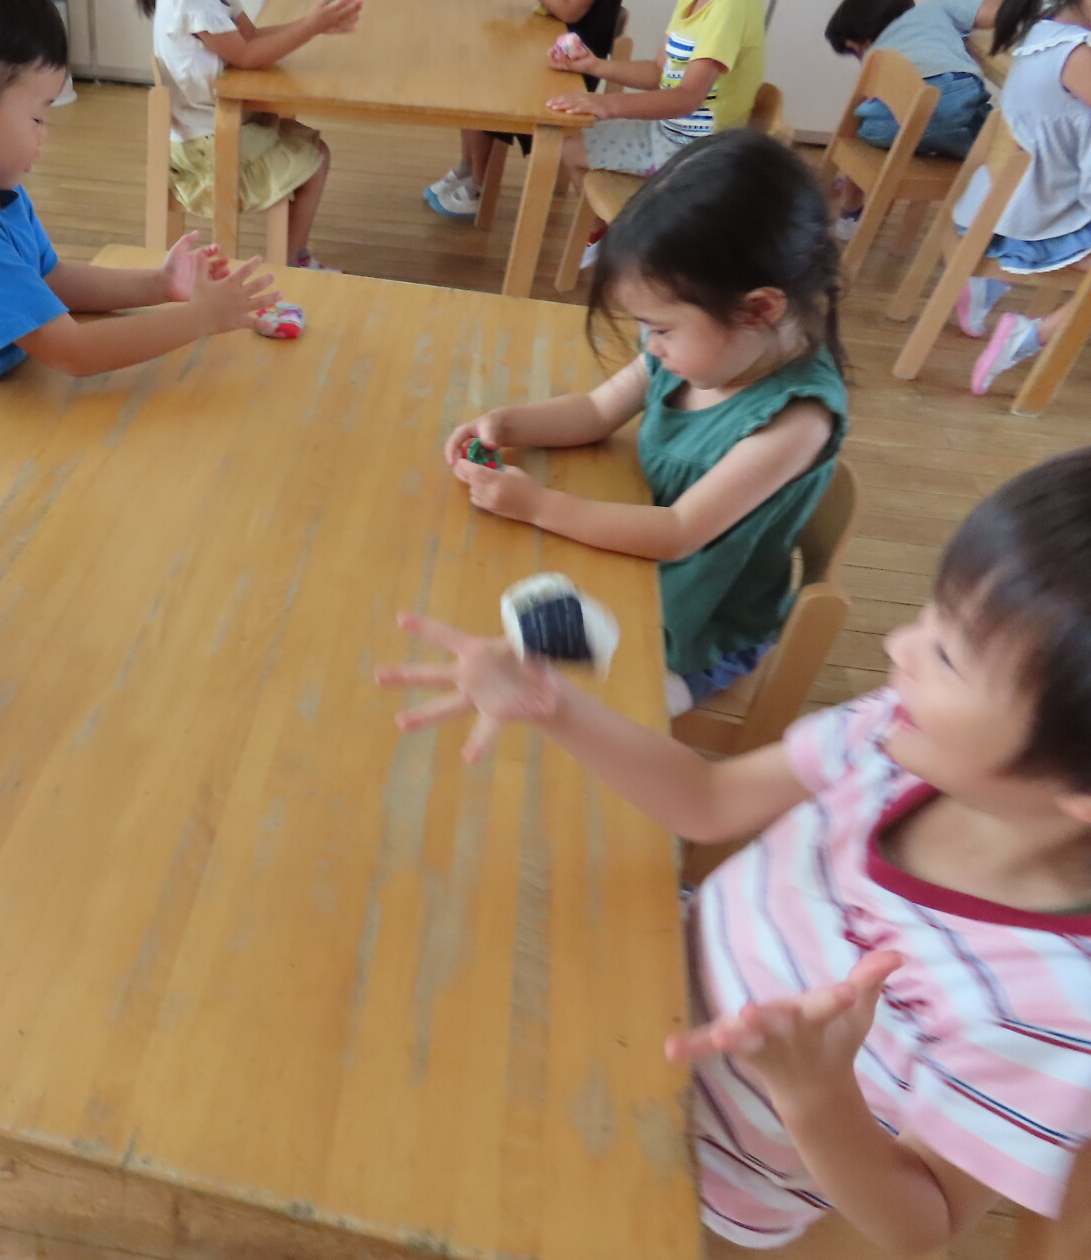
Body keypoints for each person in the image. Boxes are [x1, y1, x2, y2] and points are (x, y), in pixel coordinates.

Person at [377, 445, 1091, 1253]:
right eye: (932, 614)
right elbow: (708, 800)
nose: (899, 644)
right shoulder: (892, 737)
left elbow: (921, 1224)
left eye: (950, 655)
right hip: (629, 994)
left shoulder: (1050, 1008)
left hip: (690, 1181)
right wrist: (552, 705)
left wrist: (818, 1095)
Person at [443, 130, 846, 714]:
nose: (650, 345)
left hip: (695, 627)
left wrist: (537, 505)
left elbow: (679, 531)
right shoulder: (698, 349)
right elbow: (596, 411)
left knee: (577, 719)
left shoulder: (796, 421)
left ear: (757, 309)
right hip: (633, 561)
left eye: (661, 328)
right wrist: (507, 425)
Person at [0, 0, 278, 436]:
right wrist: (202, 317)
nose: (44, 135)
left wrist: (160, 283)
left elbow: (48, 278)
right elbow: (74, 352)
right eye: (37, 116)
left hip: (12, 393)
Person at [141, 0, 359, 264]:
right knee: (318, 158)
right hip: (207, 146)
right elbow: (247, 56)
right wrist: (310, 27)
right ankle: (292, 261)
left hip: (212, 128)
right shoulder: (192, 4)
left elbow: (251, 37)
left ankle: (294, 255)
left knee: (301, 138)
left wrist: (312, 24)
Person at [950, 0, 1091, 395]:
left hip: (998, 205)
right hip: (1035, 219)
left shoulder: (1042, 32)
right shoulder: (1078, 57)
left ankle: (989, 288)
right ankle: (1033, 335)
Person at [423, 0, 623, 220]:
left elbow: (569, 11)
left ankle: (480, 186)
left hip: (574, 63)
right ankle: (468, 168)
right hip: (553, 42)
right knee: (480, 62)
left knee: (487, 82)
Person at [824, 0, 998, 239]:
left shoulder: (878, 55)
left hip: (901, 120)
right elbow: (997, 13)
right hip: (958, 98)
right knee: (992, 143)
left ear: (863, 39)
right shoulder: (936, 10)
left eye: (856, 53)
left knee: (863, 127)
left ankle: (851, 213)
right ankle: (984, 224)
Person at [543, 0, 766, 183]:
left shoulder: (730, 6)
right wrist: (594, 66)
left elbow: (689, 97)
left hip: (699, 155)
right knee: (569, 145)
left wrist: (607, 104)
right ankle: (613, 225)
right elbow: (658, 72)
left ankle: (627, 224)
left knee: (570, 146)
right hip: (666, 134)